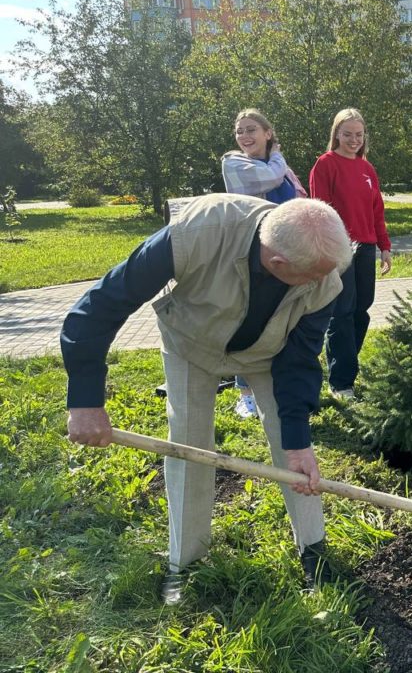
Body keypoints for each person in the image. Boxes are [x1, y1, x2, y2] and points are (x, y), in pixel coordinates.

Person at [62, 195, 351, 602]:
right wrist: (85, 400)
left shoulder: (326, 277)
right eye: (312, 276)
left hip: (270, 351)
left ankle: (314, 551)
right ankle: (185, 562)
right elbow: (99, 307)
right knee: (188, 443)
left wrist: (298, 438)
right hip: (190, 342)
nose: (321, 282)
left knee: (296, 454)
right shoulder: (196, 233)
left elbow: (300, 359)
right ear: (278, 262)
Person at [221, 108, 308, 418]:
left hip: (286, 254)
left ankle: (278, 388)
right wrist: (280, 160)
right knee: (251, 320)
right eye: (240, 130)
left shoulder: (281, 166)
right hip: (253, 254)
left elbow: (299, 199)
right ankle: (245, 394)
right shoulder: (234, 162)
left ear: (267, 133)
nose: (244, 136)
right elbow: (269, 177)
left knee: (283, 321)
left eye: (251, 129)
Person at [309, 108, 392, 401]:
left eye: (359, 135)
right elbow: (320, 210)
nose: (353, 140)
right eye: (347, 135)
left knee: (362, 309)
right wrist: (327, 249)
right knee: (341, 313)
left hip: (366, 247)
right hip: (339, 248)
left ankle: (347, 365)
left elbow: (376, 210)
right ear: (336, 135)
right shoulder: (325, 164)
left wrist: (384, 246)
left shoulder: (367, 168)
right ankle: (341, 382)